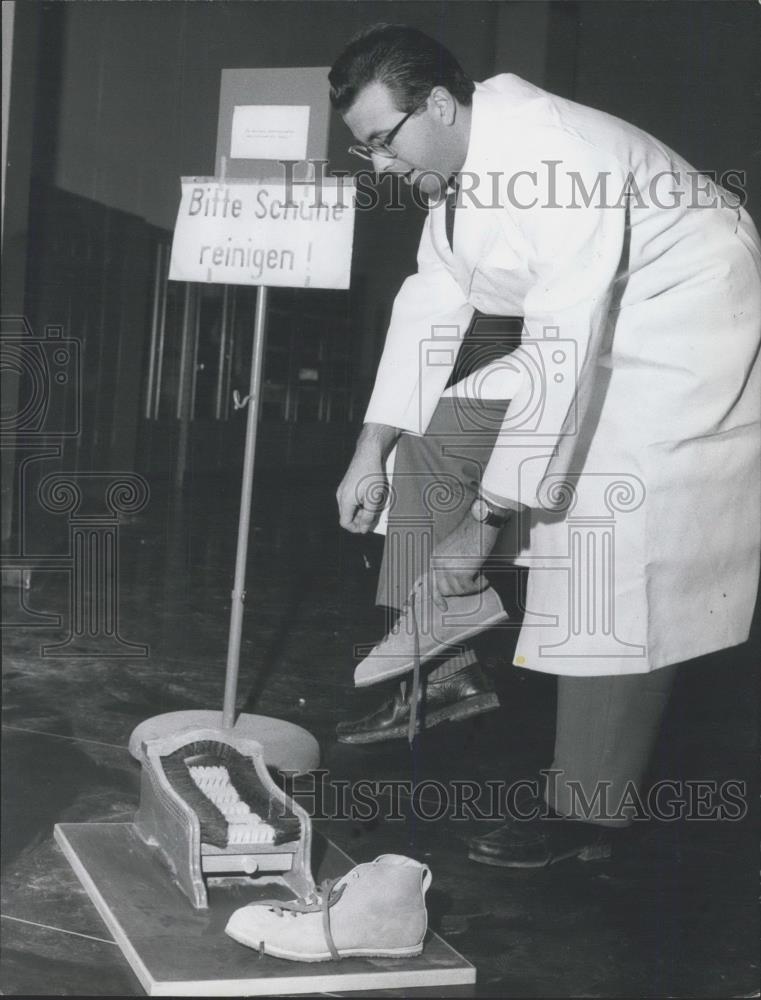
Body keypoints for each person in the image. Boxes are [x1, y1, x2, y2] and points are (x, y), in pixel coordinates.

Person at [329, 24, 761, 866]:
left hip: (685, 324)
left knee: (602, 537)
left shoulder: (557, 157)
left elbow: (563, 340)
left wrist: (490, 514)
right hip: (599, 319)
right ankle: (442, 660)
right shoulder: (450, 167)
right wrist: (369, 446)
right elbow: (432, 302)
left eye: (380, 142)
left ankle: (587, 812)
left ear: (441, 105)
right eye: (364, 151)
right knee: (439, 435)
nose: (377, 167)